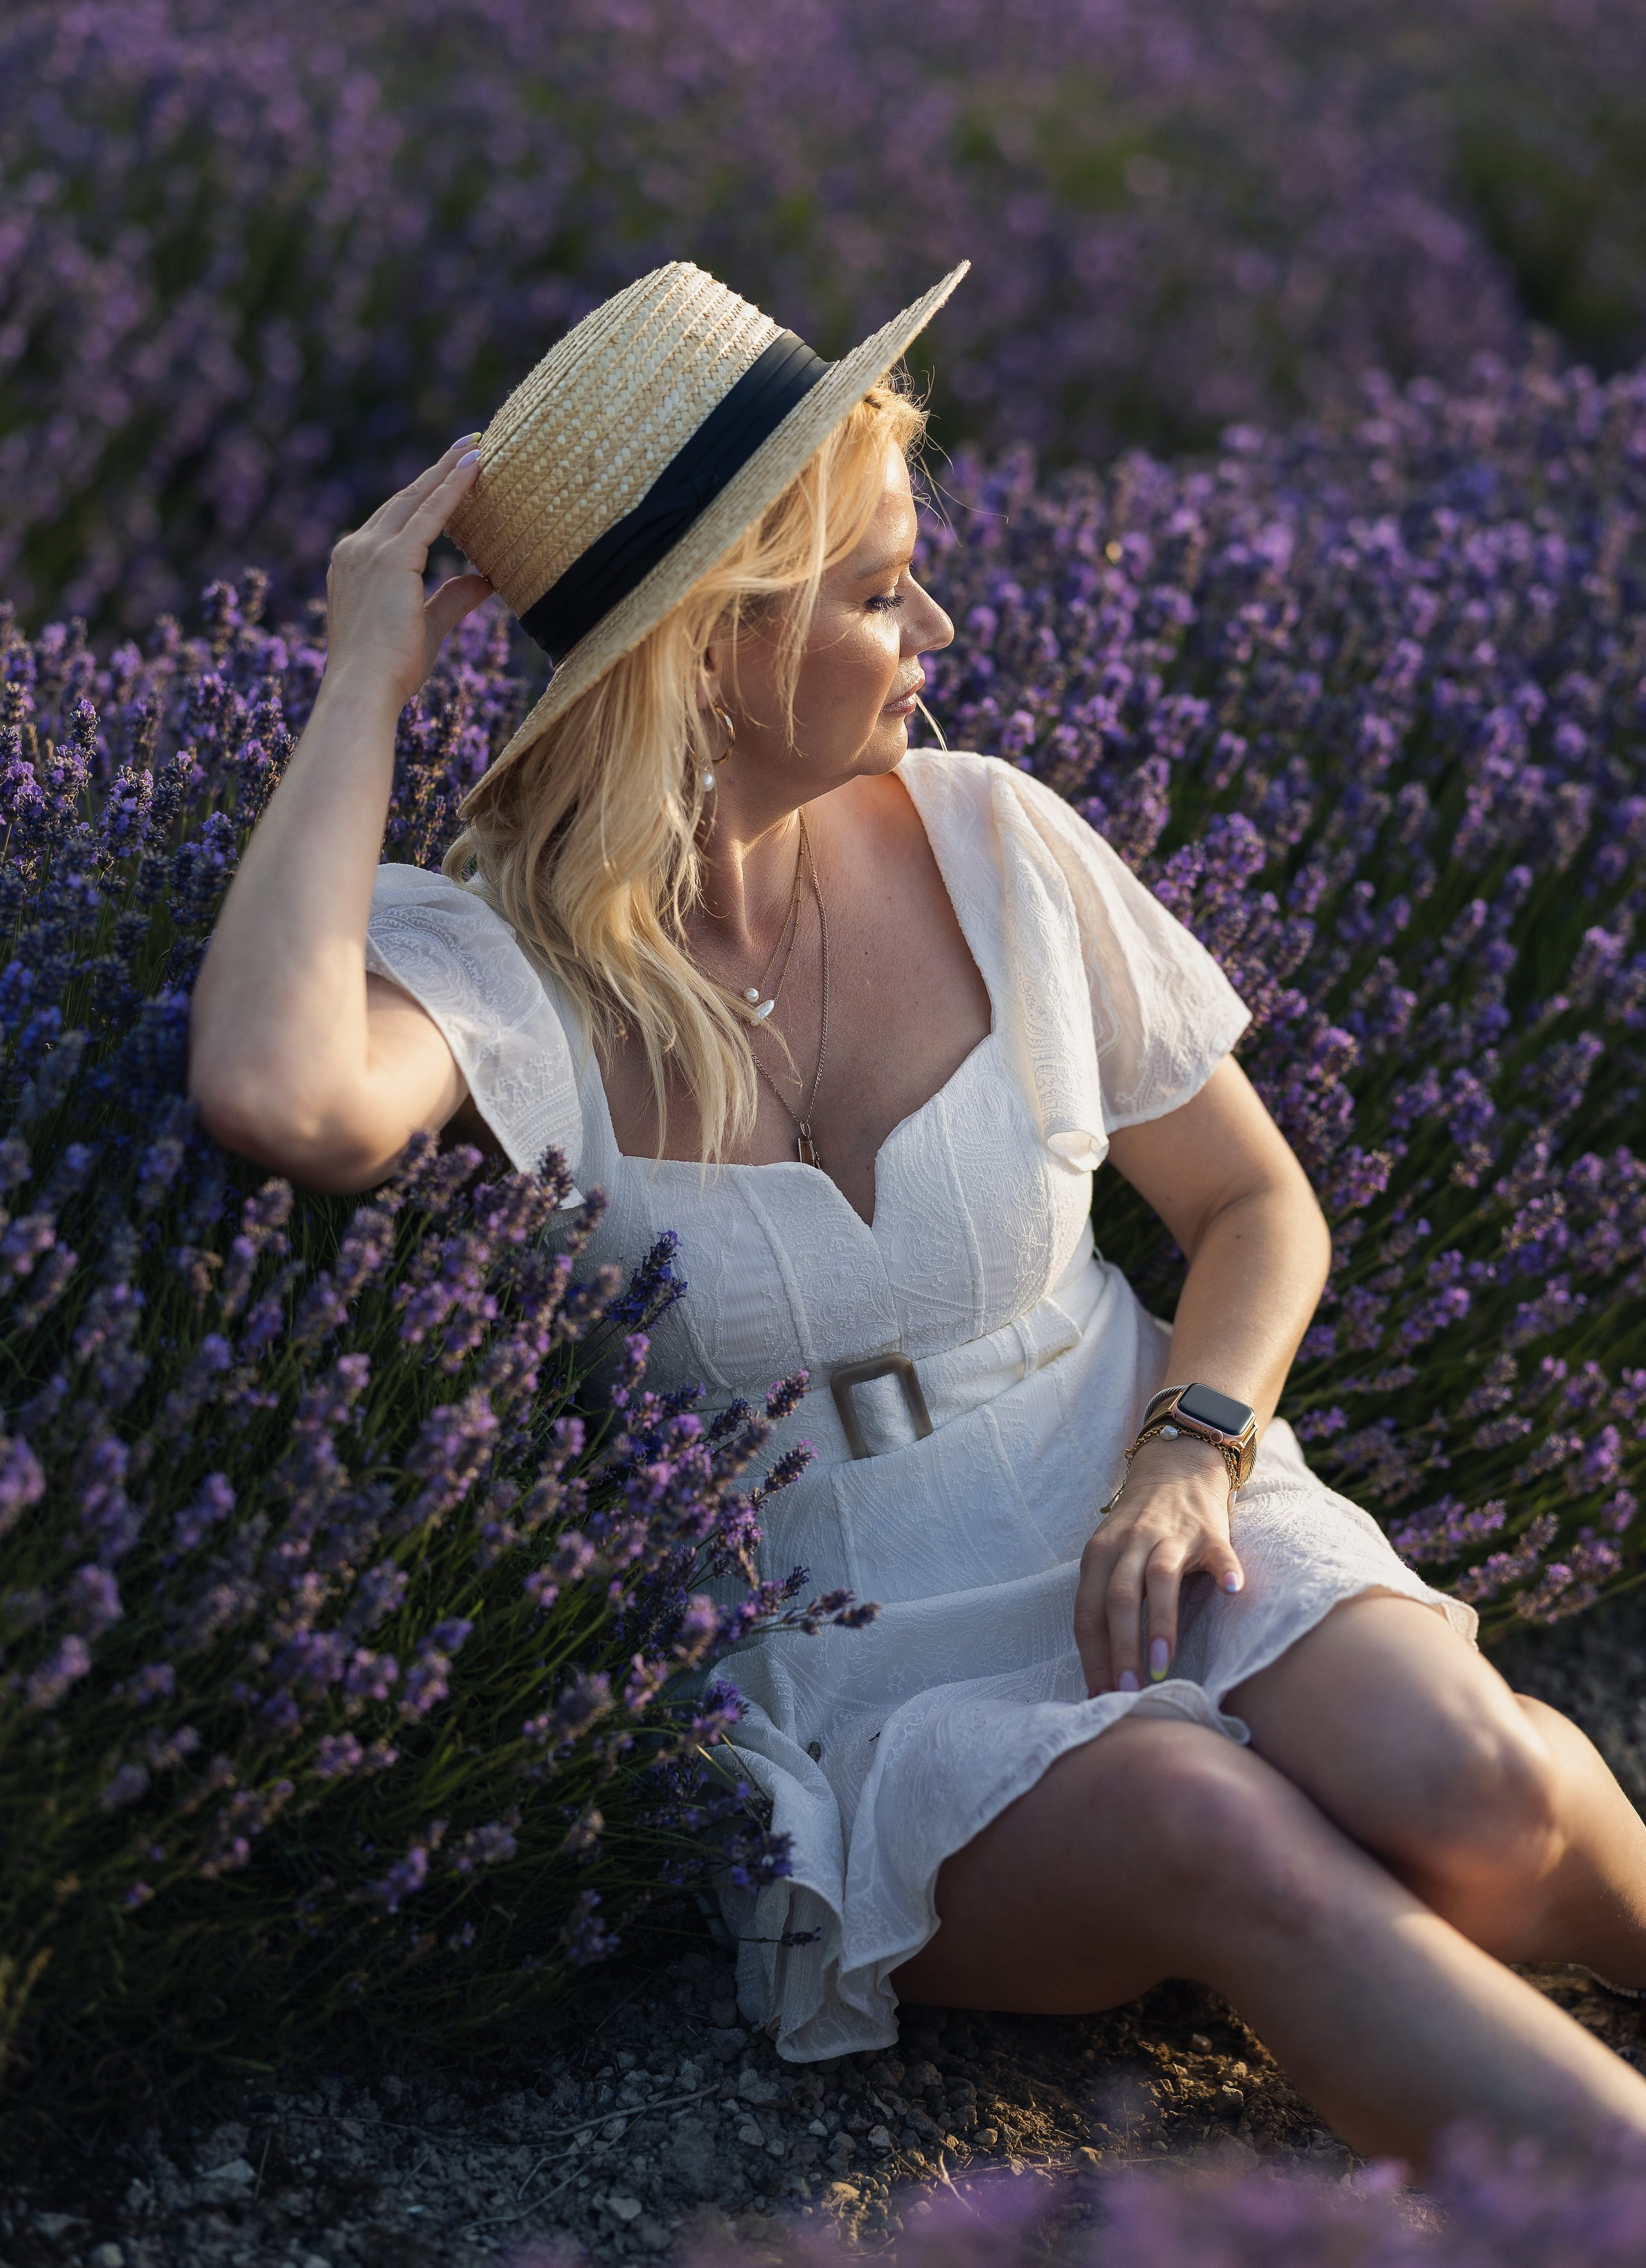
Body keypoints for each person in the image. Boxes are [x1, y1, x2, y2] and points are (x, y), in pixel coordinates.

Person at [191, 259, 1646, 2166]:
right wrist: (360, 684)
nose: (938, 624)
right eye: (882, 593)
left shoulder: (995, 839)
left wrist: (1198, 1448)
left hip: (1144, 1493)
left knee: (1475, 1778)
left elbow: (1254, 1201)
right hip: (856, 1659)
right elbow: (280, 1096)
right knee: (1212, 1829)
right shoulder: (499, 972)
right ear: (713, 646)